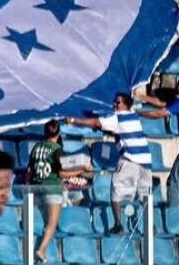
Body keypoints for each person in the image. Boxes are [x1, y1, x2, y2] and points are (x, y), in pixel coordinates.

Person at [65, 92, 152, 234]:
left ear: (125, 104)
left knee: (115, 191)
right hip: (146, 160)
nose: (114, 105)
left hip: (131, 159)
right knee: (144, 194)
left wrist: (74, 120)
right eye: (114, 102)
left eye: (118, 102)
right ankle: (150, 225)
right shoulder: (133, 115)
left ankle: (118, 224)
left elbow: (96, 122)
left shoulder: (117, 117)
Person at [26, 120, 89, 262]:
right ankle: (41, 249)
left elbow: (29, 171)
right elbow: (62, 173)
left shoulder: (36, 147)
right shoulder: (57, 149)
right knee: (52, 224)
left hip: (37, 187)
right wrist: (81, 170)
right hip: (52, 188)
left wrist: (28, 185)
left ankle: (37, 254)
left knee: (45, 224)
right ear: (58, 133)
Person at [138, 76, 179, 207]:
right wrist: (142, 97)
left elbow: (159, 113)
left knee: (173, 182)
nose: (176, 86)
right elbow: (164, 104)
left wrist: (137, 113)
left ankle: (173, 213)